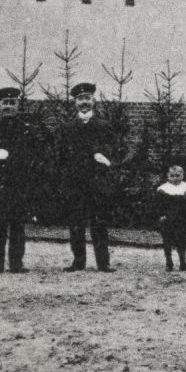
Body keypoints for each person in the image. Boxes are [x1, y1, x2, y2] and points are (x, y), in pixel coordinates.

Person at [56, 82, 118, 273]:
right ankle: (78, 261)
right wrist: (65, 175)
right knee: (76, 224)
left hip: (97, 183)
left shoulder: (104, 126)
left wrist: (109, 161)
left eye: (87, 98)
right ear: (75, 102)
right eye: (80, 99)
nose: (84, 102)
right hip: (75, 183)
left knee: (99, 223)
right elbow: (59, 156)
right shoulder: (67, 128)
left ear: (94, 101)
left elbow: (120, 149)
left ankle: (103, 263)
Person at [0, 86, 38, 274]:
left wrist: (13, 161)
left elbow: (34, 157)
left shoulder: (27, 131)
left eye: (12, 103)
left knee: (18, 226)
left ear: (18, 106)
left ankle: (16, 263)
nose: (9, 107)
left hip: (18, 184)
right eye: (5, 103)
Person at [151, 163, 186, 272]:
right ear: (168, 176)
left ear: (182, 175)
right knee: (167, 240)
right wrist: (160, 215)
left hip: (181, 219)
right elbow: (157, 205)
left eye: (177, 175)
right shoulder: (162, 189)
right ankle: (169, 263)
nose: (175, 178)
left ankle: (183, 263)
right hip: (167, 219)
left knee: (181, 240)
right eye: (172, 176)